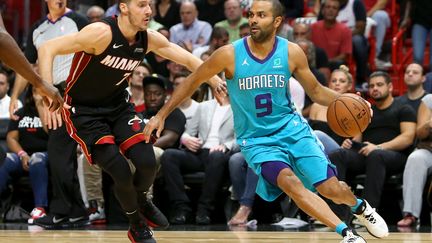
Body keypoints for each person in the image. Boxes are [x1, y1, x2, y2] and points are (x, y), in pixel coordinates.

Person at [144, 0, 389, 242]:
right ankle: (347, 234)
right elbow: (191, 81)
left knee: (331, 189)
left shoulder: (291, 51)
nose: (253, 20)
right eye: (251, 14)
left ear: (277, 21)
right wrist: (161, 114)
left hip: (293, 130)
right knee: (290, 183)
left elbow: (316, 91)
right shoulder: (229, 54)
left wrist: (352, 101)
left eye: (261, 15)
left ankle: (360, 207)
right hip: (257, 141)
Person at [37, 0, 223, 241]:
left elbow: (188, 60)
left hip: (118, 107)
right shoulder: (100, 33)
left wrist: (213, 79)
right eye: (141, 5)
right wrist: (48, 89)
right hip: (84, 112)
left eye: (150, 5)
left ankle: (141, 199)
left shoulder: (149, 38)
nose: (148, 11)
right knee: (121, 171)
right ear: (124, 7)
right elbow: (47, 48)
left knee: (147, 161)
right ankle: (137, 226)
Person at [9, 0, 90, 229]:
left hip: (75, 93)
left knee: (58, 153)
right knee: (61, 154)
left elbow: (93, 55)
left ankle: (60, 212)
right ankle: (76, 212)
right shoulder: (38, 27)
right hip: (51, 95)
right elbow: (26, 66)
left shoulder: (79, 21)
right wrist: (16, 95)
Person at [329, 71, 416, 214]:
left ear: (390, 87)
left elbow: (408, 137)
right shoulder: (365, 111)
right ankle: (336, 212)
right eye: (371, 86)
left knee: (376, 156)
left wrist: (379, 147)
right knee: (338, 154)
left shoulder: (404, 108)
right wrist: (350, 144)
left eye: (379, 85)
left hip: (395, 156)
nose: (375, 88)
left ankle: (367, 213)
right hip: (367, 153)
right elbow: (358, 138)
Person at [0, 86, 49, 224]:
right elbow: (11, 138)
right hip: (24, 155)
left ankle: (40, 208)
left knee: (37, 158)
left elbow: (52, 136)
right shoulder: (21, 113)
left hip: (47, 154)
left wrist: (41, 106)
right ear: (30, 93)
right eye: (34, 91)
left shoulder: (52, 113)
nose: (37, 94)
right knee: (7, 159)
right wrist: (22, 154)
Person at [398, 94, 432, 227]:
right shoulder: (429, 100)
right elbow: (419, 133)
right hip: (428, 149)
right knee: (415, 159)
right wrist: (428, 124)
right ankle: (410, 214)